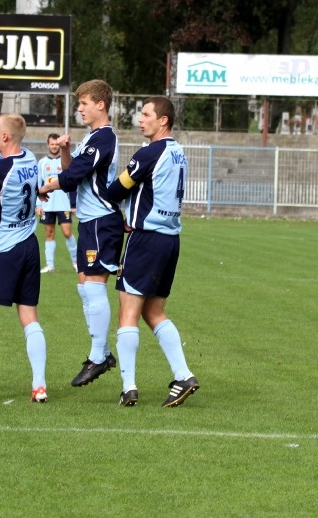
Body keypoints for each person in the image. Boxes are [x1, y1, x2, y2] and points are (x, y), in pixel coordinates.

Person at [106, 96, 199, 407]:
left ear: (163, 121)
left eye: (146, 114)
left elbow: (116, 190)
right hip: (170, 241)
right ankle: (183, 374)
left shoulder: (151, 152)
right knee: (154, 311)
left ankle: (129, 387)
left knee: (127, 314)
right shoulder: (178, 152)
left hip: (145, 240)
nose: (140, 119)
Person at [38, 79, 124, 387]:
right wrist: (65, 152)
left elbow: (74, 177)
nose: (80, 109)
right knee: (84, 284)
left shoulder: (104, 137)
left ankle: (99, 357)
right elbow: (74, 169)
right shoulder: (92, 138)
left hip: (103, 220)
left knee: (94, 285)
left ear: (101, 104)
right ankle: (101, 353)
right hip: (90, 221)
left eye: (84, 103)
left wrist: (48, 184)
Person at [0, 114, 48, 403]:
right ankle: (39, 385)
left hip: (1, 247)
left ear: (5, 137)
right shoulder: (31, 158)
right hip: (28, 245)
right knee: (29, 316)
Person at [37, 133, 78, 273]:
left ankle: (76, 261)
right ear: (48, 145)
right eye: (52, 144)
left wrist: (73, 204)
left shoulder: (66, 161)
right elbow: (38, 185)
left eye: (56, 144)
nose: (54, 146)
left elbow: (73, 181)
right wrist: (38, 205)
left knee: (67, 232)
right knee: (49, 233)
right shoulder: (42, 163)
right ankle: (50, 265)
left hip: (64, 204)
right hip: (47, 204)